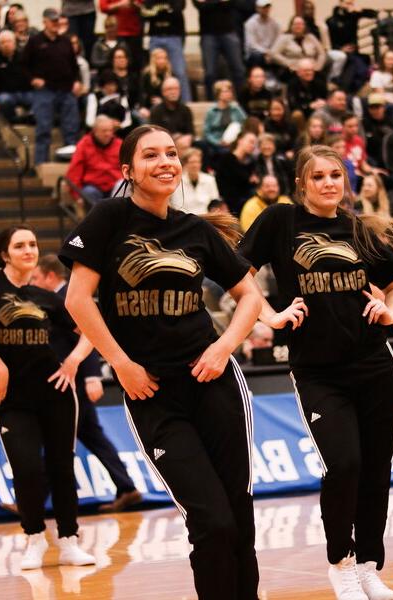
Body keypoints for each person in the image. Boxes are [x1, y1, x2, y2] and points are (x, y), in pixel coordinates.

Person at [60, 124, 262, 600]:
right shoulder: (109, 218)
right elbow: (77, 301)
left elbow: (249, 296)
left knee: (238, 510)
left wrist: (224, 346)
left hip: (214, 380)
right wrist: (121, 364)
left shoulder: (195, 229)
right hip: (150, 391)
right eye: (151, 155)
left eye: (171, 152)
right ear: (128, 170)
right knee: (210, 518)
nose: (166, 162)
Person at [240, 144, 393, 600]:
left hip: (375, 364)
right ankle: (342, 563)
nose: (329, 183)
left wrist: (391, 311)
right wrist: (271, 316)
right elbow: (239, 275)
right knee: (345, 463)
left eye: (336, 175)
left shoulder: (358, 228)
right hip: (318, 372)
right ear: (301, 183)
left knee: (376, 469)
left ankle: (371, 564)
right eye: (318, 177)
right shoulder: (279, 222)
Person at [0, 225, 97, 571]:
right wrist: (0, 369)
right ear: (5, 254)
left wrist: (73, 361)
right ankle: (35, 538)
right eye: (20, 245)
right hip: (12, 395)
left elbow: (91, 331)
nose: (28, 250)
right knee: (26, 468)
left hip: (56, 393)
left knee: (61, 468)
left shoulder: (48, 298)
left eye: (33, 244)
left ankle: (68, 540)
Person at [30, 254, 144, 512]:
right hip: (68, 382)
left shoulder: (67, 299)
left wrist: (93, 377)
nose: (34, 283)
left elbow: (91, 334)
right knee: (93, 438)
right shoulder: (55, 300)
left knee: (57, 440)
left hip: (75, 383)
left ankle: (32, 502)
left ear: (50, 276)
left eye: (37, 278)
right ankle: (127, 487)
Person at [23, 8, 81, 165]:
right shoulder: (35, 42)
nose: (56, 24)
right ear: (45, 22)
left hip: (66, 89)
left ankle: (71, 163)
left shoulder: (66, 41)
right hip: (44, 91)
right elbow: (24, 65)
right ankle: (41, 164)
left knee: (71, 129)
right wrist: (32, 79)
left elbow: (74, 65)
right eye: (53, 21)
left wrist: (76, 81)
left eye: (57, 21)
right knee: (43, 129)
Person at [66, 116, 122, 207]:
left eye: (110, 131)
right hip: (93, 186)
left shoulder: (119, 144)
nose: (108, 134)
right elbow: (74, 171)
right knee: (88, 193)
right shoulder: (84, 145)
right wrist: (77, 196)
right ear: (95, 131)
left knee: (124, 186)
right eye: (104, 131)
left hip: (115, 185)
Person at [193, 0, 245, 98]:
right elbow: (201, 6)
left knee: (239, 70)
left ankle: (242, 101)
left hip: (229, 31)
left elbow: (233, 3)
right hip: (208, 34)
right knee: (209, 73)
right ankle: (211, 103)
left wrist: (210, 3)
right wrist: (219, 2)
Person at [0, 30, 32, 123]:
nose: (6, 44)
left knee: (40, 99)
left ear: (14, 43)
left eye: (9, 41)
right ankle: (13, 120)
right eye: (3, 42)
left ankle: (30, 118)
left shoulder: (23, 56)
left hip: (24, 92)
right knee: (4, 101)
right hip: (5, 93)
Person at [216, 132, 260, 215]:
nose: (253, 146)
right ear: (240, 141)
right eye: (251, 142)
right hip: (230, 203)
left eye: (255, 144)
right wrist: (249, 179)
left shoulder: (251, 163)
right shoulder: (227, 158)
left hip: (246, 202)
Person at [149, 77, 195, 151]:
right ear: (163, 92)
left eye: (176, 89)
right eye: (170, 89)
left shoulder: (186, 109)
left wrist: (188, 138)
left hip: (185, 143)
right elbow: (154, 135)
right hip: (163, 145)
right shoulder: (156, 111)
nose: (173, 92)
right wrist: (174, 139)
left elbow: (191, 132)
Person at [170, 147, 220, 215]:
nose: (195, 165)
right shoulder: (177, 181)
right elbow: (175, 207)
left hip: (206, 220)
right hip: (184, 221)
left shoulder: (209, 180)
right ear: (185, 164)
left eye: (197, 162)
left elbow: (215, 203)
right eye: (192, 162)